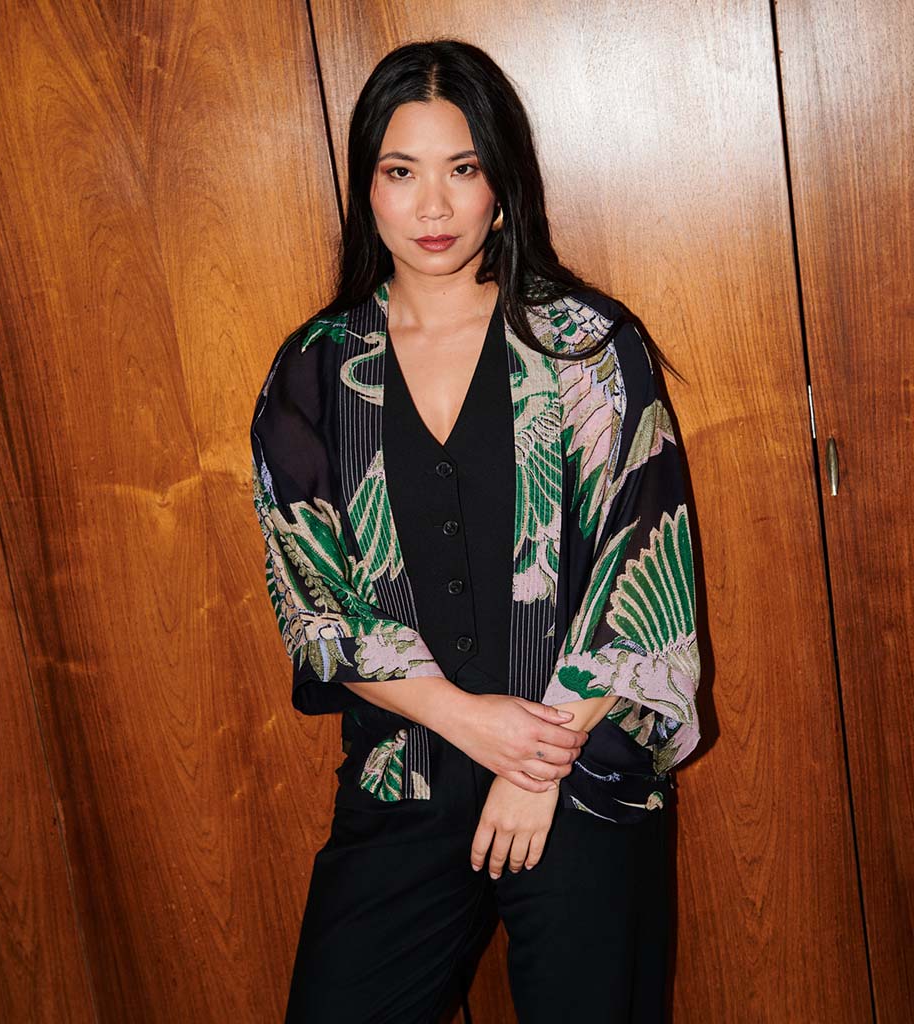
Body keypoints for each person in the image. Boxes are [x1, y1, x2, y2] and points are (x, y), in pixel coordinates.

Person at [249, 38, 701, 1024]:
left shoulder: (588, 347)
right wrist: (470, 722)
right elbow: (315, 605)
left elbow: (642, 563)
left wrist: (536, 762)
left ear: (501, 184)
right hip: (403, 780)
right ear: (367, 190)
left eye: (461, 169)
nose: (434, 206)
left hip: (578, 772)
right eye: (400, 172)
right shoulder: (314, 371)